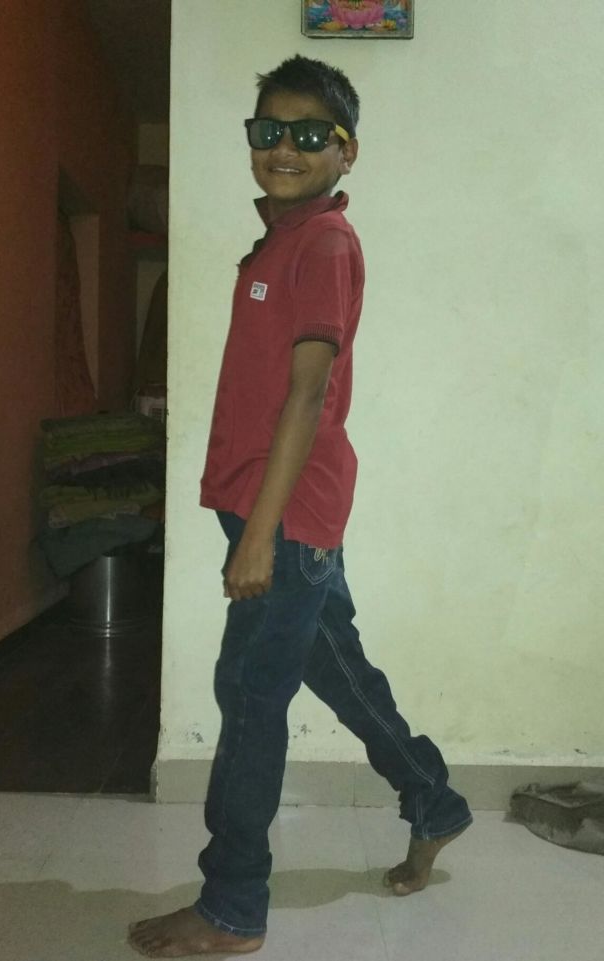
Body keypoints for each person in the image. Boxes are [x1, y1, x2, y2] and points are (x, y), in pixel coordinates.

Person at [129, 54, 472, 959]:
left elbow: (309, 392)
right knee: (338, 669)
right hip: (283, 511)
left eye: (311, 133)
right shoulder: (283, 240)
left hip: (282, 517)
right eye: (269, 130)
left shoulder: (323, 242)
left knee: (249, 692)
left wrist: (260, 535)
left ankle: (233, 902)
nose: (286, 146)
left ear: (346, 150)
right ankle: (433, 797)